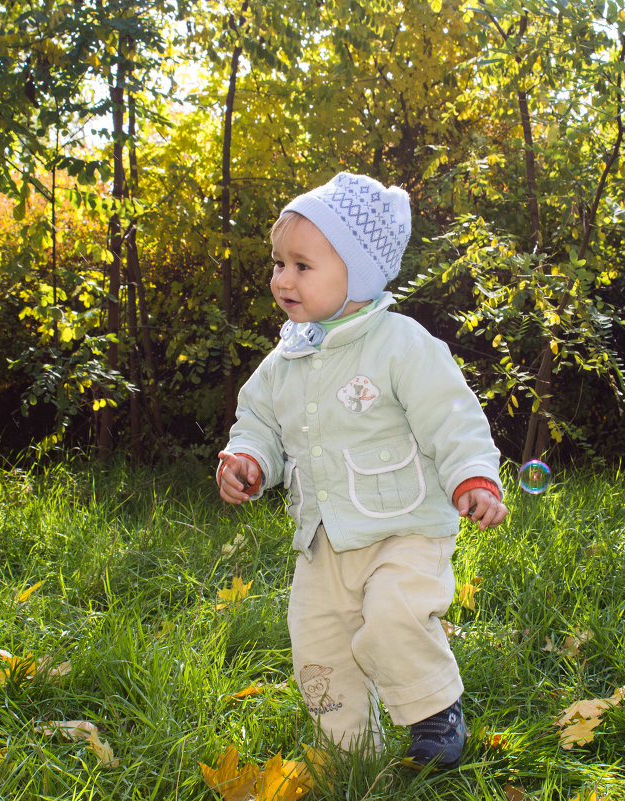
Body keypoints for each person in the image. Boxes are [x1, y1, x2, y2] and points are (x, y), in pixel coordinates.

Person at [216, 172, 508, 768]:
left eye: (302, 265)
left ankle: (433, 712)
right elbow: (259, 424)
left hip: (406, 527)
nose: (282, 278)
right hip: (324, 540)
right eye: (278, 264)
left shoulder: (401, 343)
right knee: (318, 650)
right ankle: (350, 756)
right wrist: (248, 459)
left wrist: (472, 475)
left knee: (393, 614)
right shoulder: (283, 360)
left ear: (359, 273)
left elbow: (452, 417)